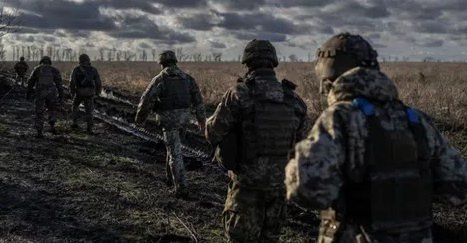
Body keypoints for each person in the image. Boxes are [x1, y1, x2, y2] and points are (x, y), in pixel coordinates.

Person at [285, 32, 467, 243]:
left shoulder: (339, 118)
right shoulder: (415, 120)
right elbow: (458, 186)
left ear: (328, 74)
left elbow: (307, 189)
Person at [205, 39, 309, 243]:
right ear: (273, 63)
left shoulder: (239, 93)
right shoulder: (294, 100)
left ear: (248, 63)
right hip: (279, 188)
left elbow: (212, 133)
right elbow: (303, 146)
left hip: (246, 188)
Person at [135, 50, 206, 197]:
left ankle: (181, 188)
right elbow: (198, 101)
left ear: (162, 64)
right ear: (175, 62)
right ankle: (169, 178)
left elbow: (146, 101)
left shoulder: (160, 79)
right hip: (184, 120)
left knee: (175, 153)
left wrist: (140, 120)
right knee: (173, 147)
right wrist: (201, 120)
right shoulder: (187, 79)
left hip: (168, 121)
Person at [26, 56, 64, 138]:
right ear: (49, 62)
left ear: (41, 61)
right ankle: (52, 127)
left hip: (40, 92)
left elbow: (31, 81)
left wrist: (28, 92)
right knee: (52, 110)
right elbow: (59, 83)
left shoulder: (37, 69)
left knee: (39, 111)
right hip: (51, 93)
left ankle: (39, 131)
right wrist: (61, 94)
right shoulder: (54, 69)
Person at [69, 54, 102, 134]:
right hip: (90, 93)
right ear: (88, 60)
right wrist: (98, 92)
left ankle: (75, 123)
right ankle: (89, 128)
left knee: (75, 107)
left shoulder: (76, 69)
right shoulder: (93, 70)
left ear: (80, 60)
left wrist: (72, 92)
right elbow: (98, 82)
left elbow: (72, 82)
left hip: (79, 92)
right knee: (89, 111)